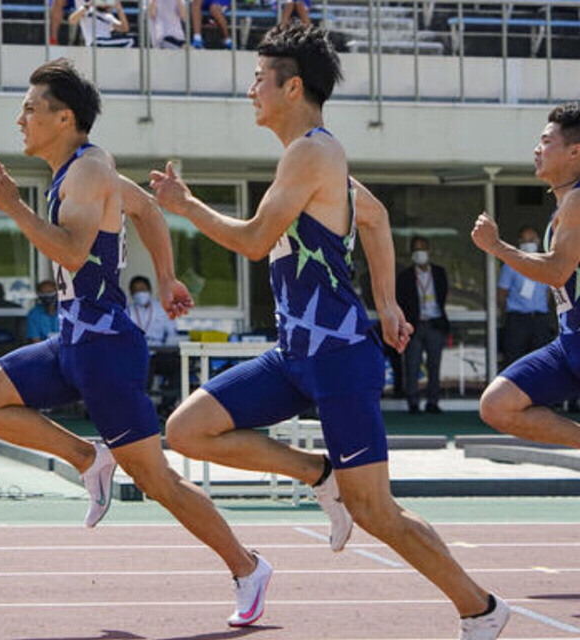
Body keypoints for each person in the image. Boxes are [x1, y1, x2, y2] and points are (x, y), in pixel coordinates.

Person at [151, 22, 509, 639]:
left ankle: (482, 608)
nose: (249, 91)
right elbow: (373, 217)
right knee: (186, 429)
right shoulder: (311, 159)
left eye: (259, 80)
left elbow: (256, 241)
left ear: (292, 88)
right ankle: (319, 475)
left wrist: (186, 207)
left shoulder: (313, 152)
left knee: (377, 511)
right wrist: (389, 302)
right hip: (296, 354)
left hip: (340, 355)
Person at [0, 58, 273, 627]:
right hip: (71, 340)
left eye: (30, 109)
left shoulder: (87, 168)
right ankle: (87, 456)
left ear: (64, 118)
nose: (20, 119)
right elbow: (147, 207)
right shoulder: (84, 169)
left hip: (104, 349)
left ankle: (247, 566)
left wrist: (13, 209)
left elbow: (73, 252)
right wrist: (170, 274)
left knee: (156, 480)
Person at [472, 103, 580, 462]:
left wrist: (497, 247)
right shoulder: (563, 205)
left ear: (574, 151)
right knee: (498, 406)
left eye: (547, 141)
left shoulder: (578, 200)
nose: (537, 148)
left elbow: (556, 271)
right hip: (568, 342)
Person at [396, 235, 450, 414]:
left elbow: (443, 295)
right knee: (412, 364)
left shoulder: (439, 273)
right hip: (415, 325)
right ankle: (413, 402)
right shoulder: (404, 277)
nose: (420, 253)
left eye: (423, 249)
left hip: (435, 323)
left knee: (434, 365)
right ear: (412, 253)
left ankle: (432, 401)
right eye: (416, 250)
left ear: (429, 251)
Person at [497, 225, 552, 367]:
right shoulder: (510, 265)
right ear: (520, 242)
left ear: (538, 241)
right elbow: (502, 294)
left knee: (542, 362)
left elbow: (548, 292)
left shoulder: (545, 264)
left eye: (532, 240)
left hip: (539, 320)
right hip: (518, 320)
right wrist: (508, 314)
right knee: (514, 361)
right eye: (525, 240)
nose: (529, 244)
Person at [128, 274, 179, 348]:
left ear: (149, 290)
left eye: (142, 289)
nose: (140, 293)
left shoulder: (162, 309)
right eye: (136, 291)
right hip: (135, 349)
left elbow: (172, 333)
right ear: (131, 294)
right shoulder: (128, 311)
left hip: (159, 350)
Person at [68, 0, 134, 47]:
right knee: (130, 41)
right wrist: (90, 3)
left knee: (131, 40)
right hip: (95, 41)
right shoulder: (87, 10)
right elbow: (72, 20)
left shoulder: (108, 17)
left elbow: (124, 28)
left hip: (106, 42)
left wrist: (119, 8)